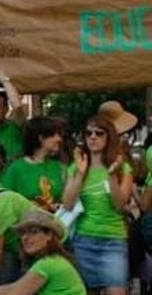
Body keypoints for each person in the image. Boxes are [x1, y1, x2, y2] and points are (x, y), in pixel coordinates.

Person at [62, 116, 132, 295]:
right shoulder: (75, 167)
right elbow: (68, 204)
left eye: (99, 133)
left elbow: (119, 205)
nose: (92, 137)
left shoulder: (122, 168)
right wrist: (80, 172)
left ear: (108, 137)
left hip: (113, 240)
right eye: (88, 133)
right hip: (84, 240)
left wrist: (111, 175)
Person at [0, 210, 86, 295]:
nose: (26, 238)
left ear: (49, 235)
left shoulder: (47, 264)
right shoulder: (54, 260)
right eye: (23, 233)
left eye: (34, 232)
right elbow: (15, 287)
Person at [1, 118, 66, 212]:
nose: (59, 139)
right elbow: (6, 204)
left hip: (56, 224)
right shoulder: (16, 169)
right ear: (41, 138)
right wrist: (44, 208)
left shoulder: (60, 168)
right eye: (54, 135)